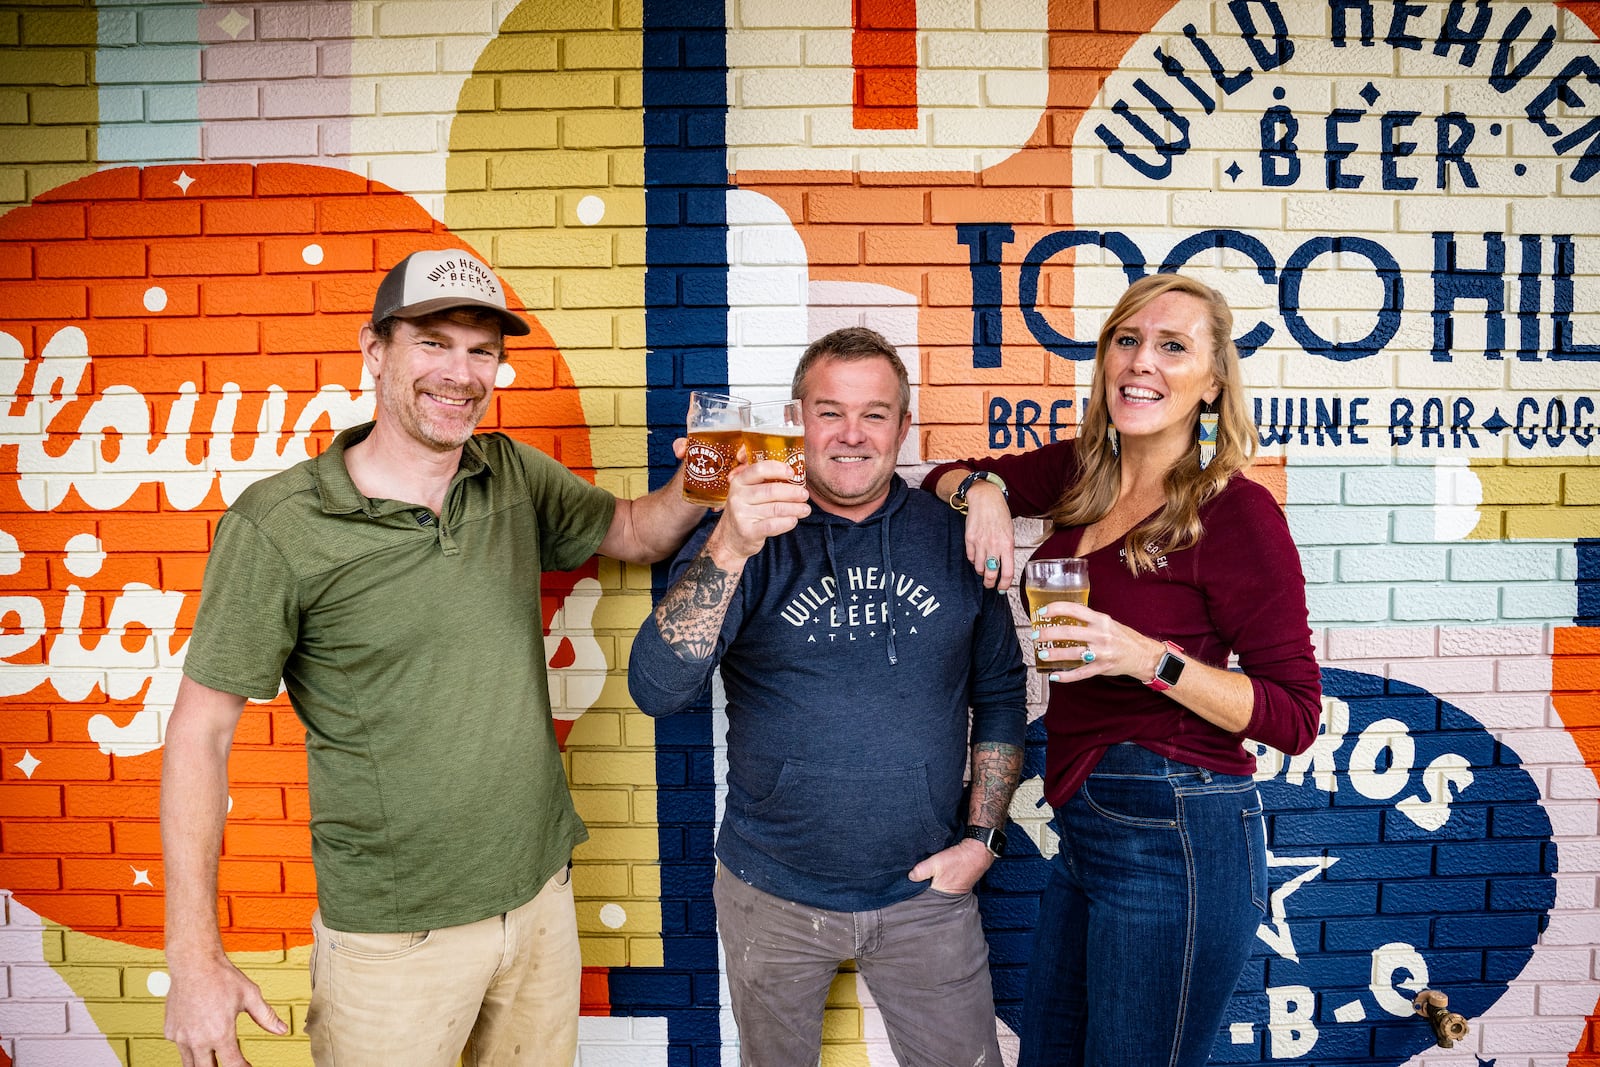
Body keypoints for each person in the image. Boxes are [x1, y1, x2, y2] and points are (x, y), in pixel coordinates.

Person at [161, 248, 707, 1067]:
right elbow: (199, 733)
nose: (460, 371)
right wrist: (191, 956)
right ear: (375, 349)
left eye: (481, 349)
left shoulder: (511, 475)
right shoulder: (277, 524)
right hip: (393, 940)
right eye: (433, 341)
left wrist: (706, 476)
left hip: (540, 906)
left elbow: (632, 529)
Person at [925, 273, 1322, 1066]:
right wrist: (987, 492)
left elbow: (1294, 715)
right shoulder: (1087, 473)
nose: (1142, 362)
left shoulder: (1235, 511)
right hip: (1088, 827)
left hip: (1180, 829)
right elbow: (944, 475)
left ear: (1211, 383)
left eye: (1173, 346)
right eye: (1127, 340)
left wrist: (1146, 657)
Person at [628, 327, 1027, 1067]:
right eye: (829, 411)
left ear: (904, 428)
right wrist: (731, 544)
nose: (851, 434)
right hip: (770, 895)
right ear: (796, 419)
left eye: (875, 414)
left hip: (925, 900)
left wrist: (981, 841)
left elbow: (1002, 694)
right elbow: (656, 687)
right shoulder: (749, 531)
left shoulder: (952, 538)